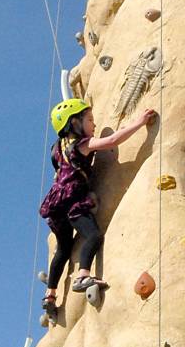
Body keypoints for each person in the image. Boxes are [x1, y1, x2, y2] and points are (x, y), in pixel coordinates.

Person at [39, 98, 156, 316]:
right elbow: (112, 141)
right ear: (74, 123)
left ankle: (50, 294)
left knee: (63, 250)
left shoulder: (58, 149)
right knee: (93, 235)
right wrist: (139, 123)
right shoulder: (82, 145)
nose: (93, 124)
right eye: (89, 119)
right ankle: (83, 275)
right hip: (73, 201)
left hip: (56, 205)